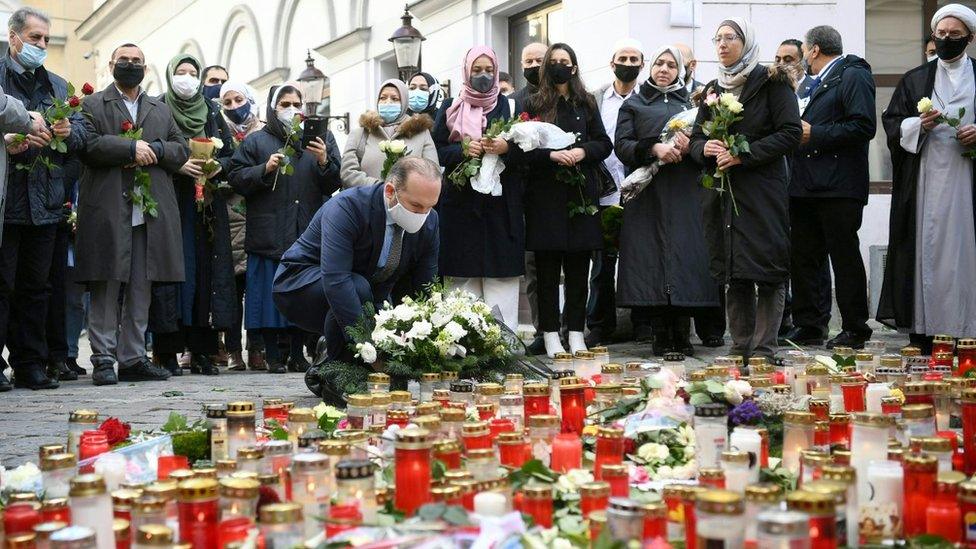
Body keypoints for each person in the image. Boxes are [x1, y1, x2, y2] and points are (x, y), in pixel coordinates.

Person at [272, 157, 440, 400]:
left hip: (366, 293)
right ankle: (339, 374)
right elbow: (336, 280)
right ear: (391, 191)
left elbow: (426, 288)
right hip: (301, 285)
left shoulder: (429, 221)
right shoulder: (347, 207)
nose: (423, 215)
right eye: (415, 206)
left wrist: (427, 343)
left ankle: (330, 353)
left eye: (430, 206)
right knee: (356, 287)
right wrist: (369, 351)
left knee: (395, 372)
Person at [77, 43, 190, 385]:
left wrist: (153, 149)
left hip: (150, 212)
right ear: (111, 64)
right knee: (107, 283)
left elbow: (180, 148)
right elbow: (87, 145)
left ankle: (133, 356)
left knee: (143, 284)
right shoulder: (93, 104)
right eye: (123, 60)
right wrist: (128, 147)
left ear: (146, 66)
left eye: (136, 61)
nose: (130, 65)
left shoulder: (160, 108)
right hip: (110, 208)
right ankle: (103, 357)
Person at [689, 18, 802, 359]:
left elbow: (790, 133)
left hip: (761, 192)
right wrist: (704, 149)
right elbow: (696, 139)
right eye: (718, 38)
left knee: (766, 268)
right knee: (733, 269)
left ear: (747, 41)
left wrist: (743, 155)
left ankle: (765, 347)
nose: (722, 45)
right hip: (722, 194)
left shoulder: (772, 82)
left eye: (730, 38)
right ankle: (739, 346)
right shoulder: (713, 88)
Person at [878, 4, 976, 350]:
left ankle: (968, 326)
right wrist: (918, 124)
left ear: (970, 38)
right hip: (925, 180)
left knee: (965, 252)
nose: (947, 40)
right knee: (927, 248)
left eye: (955, 35)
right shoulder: (916, 78)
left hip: (967, 179)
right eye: (942, 34)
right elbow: (892, 123)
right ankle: (926, 327)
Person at [227, 83, 341, 373]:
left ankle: (297, 352)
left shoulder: (321, 139)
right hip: (269, 232)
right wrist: (264, 169)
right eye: (285, 104)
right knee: (266, 296)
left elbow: (335, 182)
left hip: (306, 230)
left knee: (302, 293)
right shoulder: (256, 142)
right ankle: (272, 354)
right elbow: (237, 178)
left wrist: (325, 160)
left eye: (297, 103)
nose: (292, 109)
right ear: (273, 107)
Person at [0, 7, 86, 390]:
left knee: (37, 288)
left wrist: (67, 131)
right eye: (35, 38)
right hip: (7, 200)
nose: (41, 46)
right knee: (2, 285)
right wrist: (6, 144)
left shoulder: (58, 86)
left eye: (46, 40)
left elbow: (83, 139)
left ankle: (29, 363)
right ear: (13, 36)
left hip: (45, 202)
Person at [615, 45, 720, 358]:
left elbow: (713, 137)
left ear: (681, 70)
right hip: (650, 194)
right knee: (654, 259)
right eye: (659, 63)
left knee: (686, 257)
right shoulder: (634, 104)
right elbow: (622, 145)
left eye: (671, 65)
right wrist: (654, 149)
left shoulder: (695, 102)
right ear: (650, 67)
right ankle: (661, 333)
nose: (664, 69)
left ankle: (683, 333)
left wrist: (694, 145)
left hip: (687, 189)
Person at [784, 26, 876, 350]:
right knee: (804, 257)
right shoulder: (811, 83)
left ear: (814, 50)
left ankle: (855, 327)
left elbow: (864, 125)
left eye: (805, 51)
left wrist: (816, 134)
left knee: (844, 256)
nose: (805, 58)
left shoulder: (853, 75)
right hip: (805, 183)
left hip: (839, 185)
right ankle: (809, 324)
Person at [524, 42, 612, 357]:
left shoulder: (586, 102)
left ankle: (575, 332)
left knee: (578, 270)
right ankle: (549, 334)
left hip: (581, 196)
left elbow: (604, 143)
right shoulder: (532, 102)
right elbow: (523, 148)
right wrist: (551, 155)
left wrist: (581, 151)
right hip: (546, 197)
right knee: (547, 271)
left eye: (567, 60)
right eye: (555, 61)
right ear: (547, 66)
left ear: (574, 67)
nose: (561, 65)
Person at [150, 54, 236, 376]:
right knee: (171, 273)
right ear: (171, 75)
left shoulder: (212, 111)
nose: (186, 77)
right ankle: (167, 351)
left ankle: (202, 350)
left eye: (192, 72)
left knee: (204, 273)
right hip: (171, 200)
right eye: (180, 72)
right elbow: (150, 148)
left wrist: (215, 167)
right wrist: (177, 163)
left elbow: (230, 155)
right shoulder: (158, 107)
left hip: (205, 203)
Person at [433, 46, 525, 332]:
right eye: (477, 70)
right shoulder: (450, 107)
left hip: (501, 207)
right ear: (466, 71)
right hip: (461, 207)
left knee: (501, 280)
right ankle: (463, 345)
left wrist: (506, 148)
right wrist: (463, 150)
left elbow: (529, 153)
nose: (483, 75)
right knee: (463, 282)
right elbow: (436, 151)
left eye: (488, 70)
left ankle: (504, 346)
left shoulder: (511, 106)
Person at [586, 38, 643, 347]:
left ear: (642, 65)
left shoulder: (646, 98)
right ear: (612, 63)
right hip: (604, 189)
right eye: (623, 57)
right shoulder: (596, 99)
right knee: (603, 263)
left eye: (634, 59)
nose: (629, 63)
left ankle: (642, 322)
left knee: (638, 258)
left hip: (638, 188)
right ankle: (599, 324)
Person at [220, 80, 265, 371]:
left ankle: (257, 348)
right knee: (232, 289)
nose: (235, 107)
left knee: (258, 289)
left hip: (260, 216)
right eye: (228, 103)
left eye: (239, 100)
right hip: (228, 216)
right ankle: (234, 349)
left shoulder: (263, 132)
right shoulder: (220, 133)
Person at [511, 41, 550, 355]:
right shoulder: (515, 102)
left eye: (540, 59)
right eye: (529, 60)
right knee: (534, 266)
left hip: (560, 189)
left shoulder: (564, 94)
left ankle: (572, 328)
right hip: (527, 193)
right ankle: (543, 329)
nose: (534, 65)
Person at [340, 79, 437, 188]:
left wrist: (405, 191)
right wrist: (380, 188)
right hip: (367, 200)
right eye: (383, 98)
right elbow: (348, 173)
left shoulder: (421, 133)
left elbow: (432, 173)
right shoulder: (361, 133)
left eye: (395, 99)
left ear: (404, 102)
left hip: (407, 201)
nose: (388, 102)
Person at [511, 42, 547, 109]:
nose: (534, 65)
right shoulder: (512, 102)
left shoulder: (562, 97)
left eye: (539, 60)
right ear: (522, 67)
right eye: (529, 61)